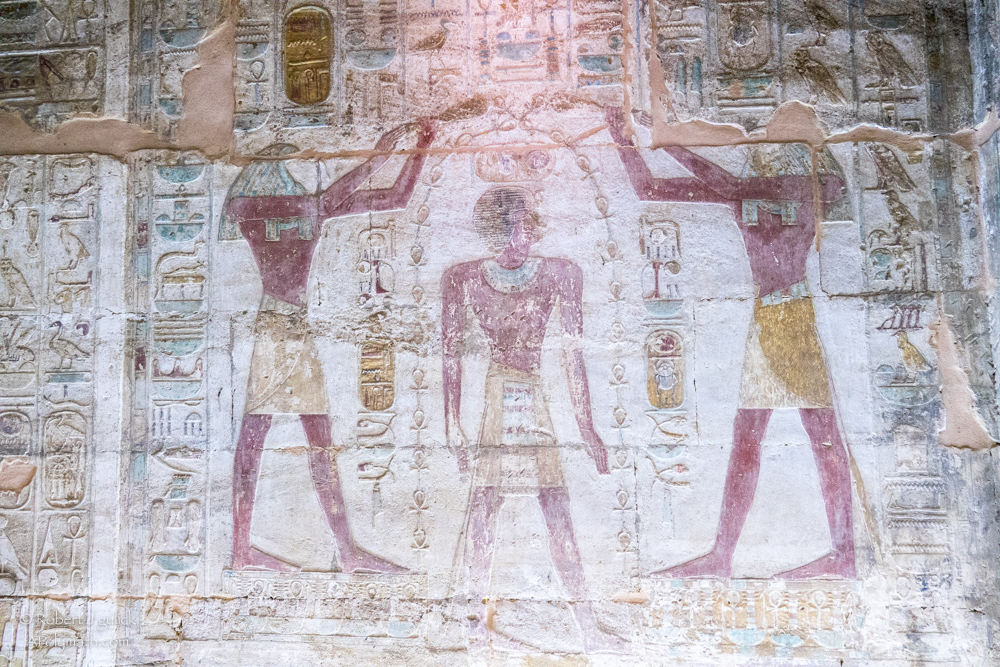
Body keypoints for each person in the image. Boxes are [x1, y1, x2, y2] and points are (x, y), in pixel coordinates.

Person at [606, 107, 855, 579]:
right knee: (753, 438)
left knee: (816, 434)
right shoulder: (748, 191)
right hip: (769, 318)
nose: (760, 151)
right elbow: (649, 189)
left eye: (770, 142)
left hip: (791, 319)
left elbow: (727, 182)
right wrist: (622, 137)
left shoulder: (806, 187)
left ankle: (842, 554)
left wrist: (664, 138)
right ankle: (724, 555)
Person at [223, 119, 437, 572]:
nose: (296, 175)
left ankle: (331, 550)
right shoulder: (288, 207)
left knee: (288, 439)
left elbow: (392, 199)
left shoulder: (261, 208)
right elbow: (372, 196)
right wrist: (395, 153)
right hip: (282, 331)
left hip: (282, 328)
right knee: (279, 438)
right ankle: (263, 550)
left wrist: (412, 150)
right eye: (288, 166)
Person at [441, 187, 624, 650]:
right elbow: (450, 354)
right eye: (523, 225)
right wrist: (451, 423)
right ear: (499, 231)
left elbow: (572, 356)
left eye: (530, 224)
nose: (532, 233)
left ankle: (587, 628)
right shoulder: (461, 278)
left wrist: (587, 427)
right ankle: (473, 627)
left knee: (556, 509)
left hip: (531, 397)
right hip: (498, 397)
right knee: (484, 510)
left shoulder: (562, 273)